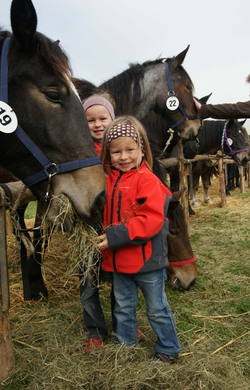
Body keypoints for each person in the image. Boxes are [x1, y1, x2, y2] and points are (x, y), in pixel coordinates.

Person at [97, 115, 181, 363]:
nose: (123, 157)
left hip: (147, 262)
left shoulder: (148, 181)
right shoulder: (106, 181)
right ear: (107, 154)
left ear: (142, 150)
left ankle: (168, 347)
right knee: (123, 307)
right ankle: (126, 345)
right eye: (116, 152)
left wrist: (114, 235)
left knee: (156, 308)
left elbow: (151, 219)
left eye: (130, 150)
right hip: (119, 261)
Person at [80, 92, 116, 352]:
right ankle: (94, 330)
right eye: (90, 120)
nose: (97, 124)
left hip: (116, 223)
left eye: (103, 118)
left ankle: (123, 322)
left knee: (119, 278)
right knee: (87, 278)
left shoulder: (119, 148)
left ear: (112, 119)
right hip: (87, 226)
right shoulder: (79, 149)